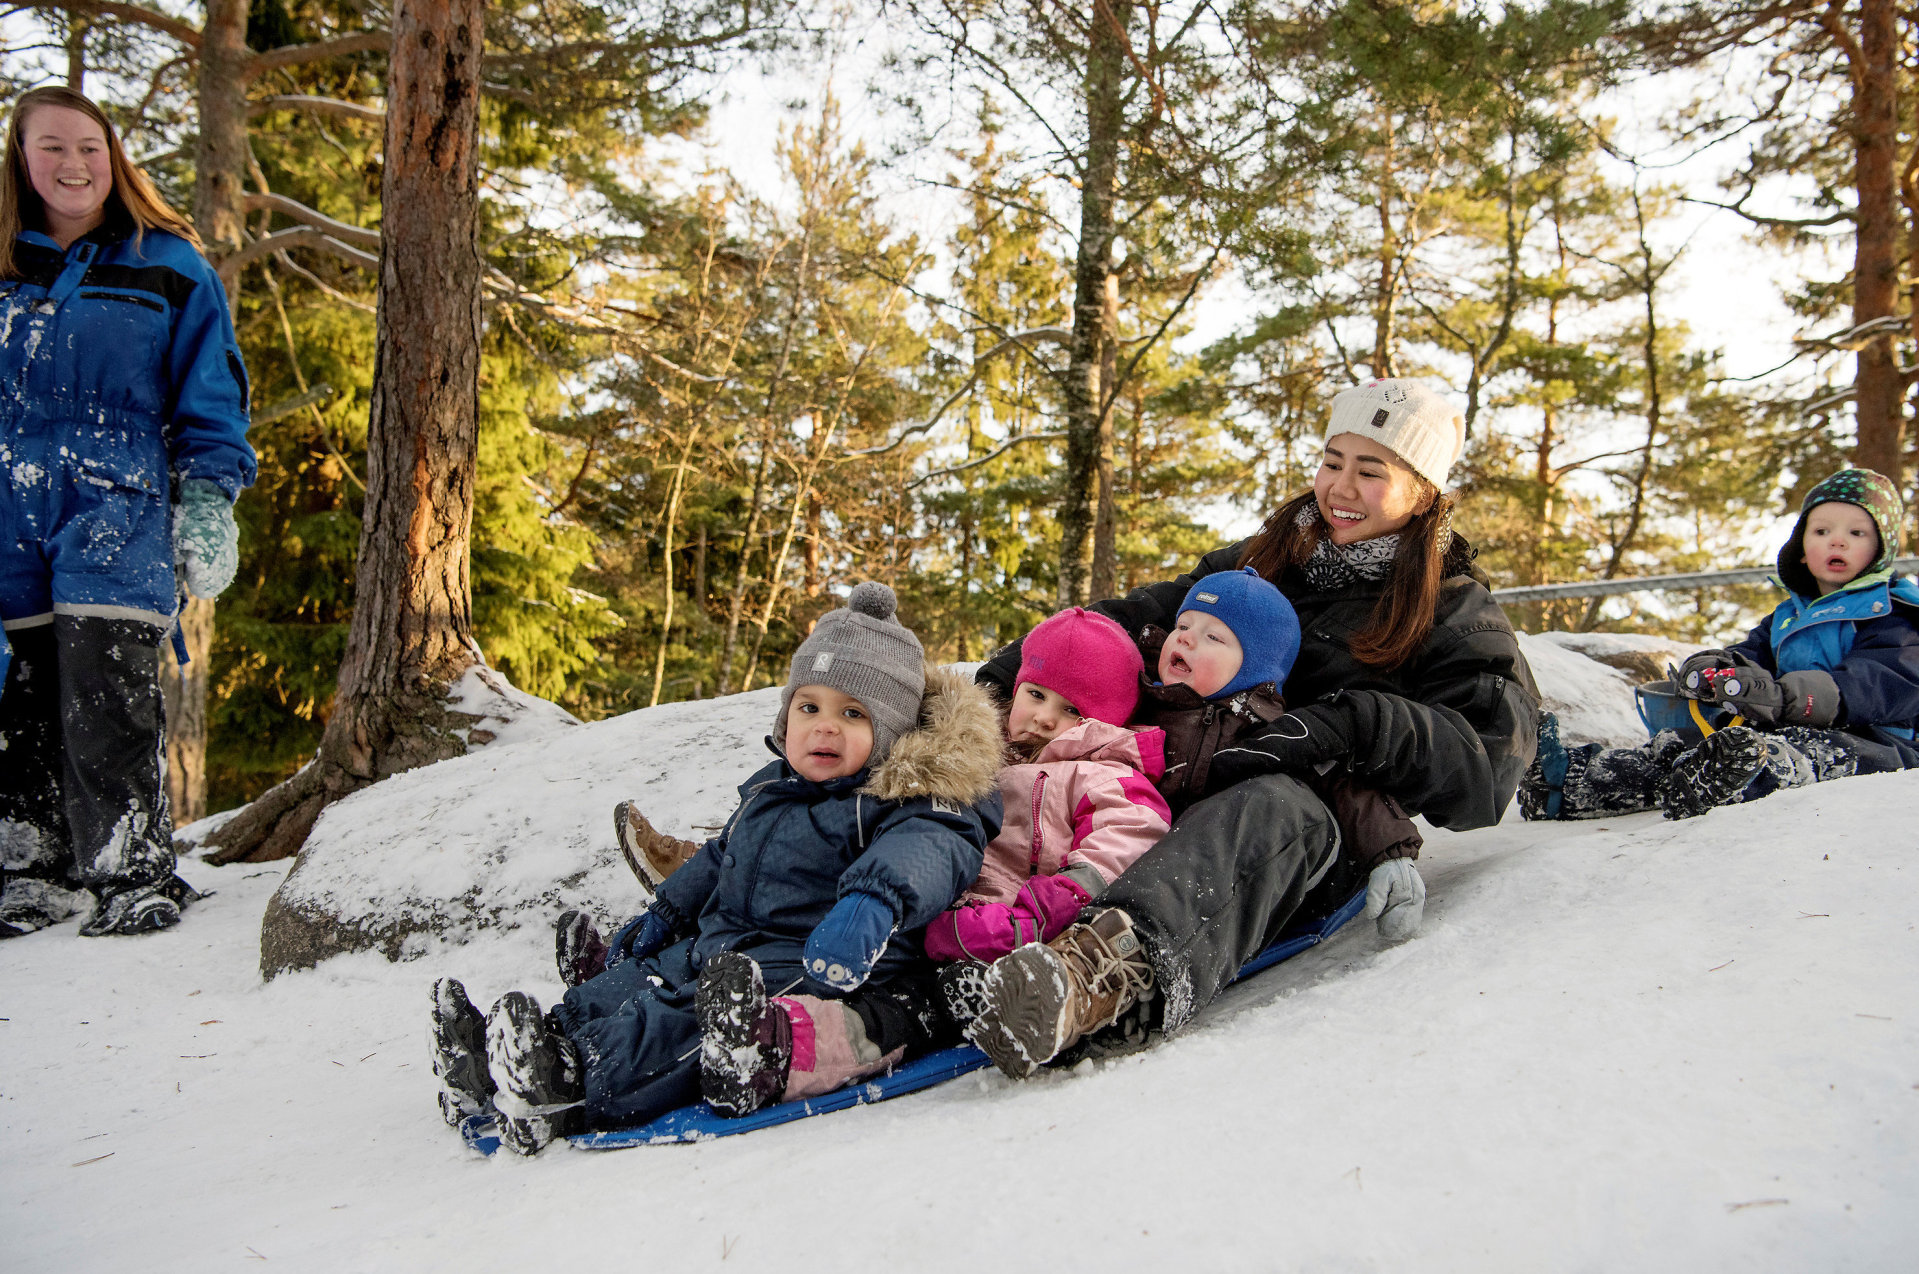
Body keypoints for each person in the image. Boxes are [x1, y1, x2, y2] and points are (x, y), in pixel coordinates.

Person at [964, 377, 1539, 1079]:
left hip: (1306, 825)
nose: (1340, 488)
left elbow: (1488, 764)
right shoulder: (1258, 561)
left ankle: (1095, 976)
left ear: (1423, 491)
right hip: (1161, 782)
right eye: (1332, 462)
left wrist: (1353, 722)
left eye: (1370, 471)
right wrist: (999, 689)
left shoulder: (1452, 609)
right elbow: (1123, 621)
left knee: (1274, 804)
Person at [428, 583, 1005, 1153]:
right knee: (639, 979)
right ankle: (513, 1052)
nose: (824, 726)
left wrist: (871, 904)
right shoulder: (773, 789)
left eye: (853, 713)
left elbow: (930, 850)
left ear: (894, 735)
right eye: (809, 707)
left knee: (687, 1020)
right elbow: (721, 855)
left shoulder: (912, 799)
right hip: (726, 939)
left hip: (816, 959)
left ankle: (571, 1078)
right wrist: (669, 909)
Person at [0, 87, 253, 938]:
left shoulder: (170, 264)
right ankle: (30, 869)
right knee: (22, 696)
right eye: (51, 148)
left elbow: (208, 394)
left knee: (108, 691)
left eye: (89, 148)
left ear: (114, 157)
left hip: (117, 505)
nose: (73, 166)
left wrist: (210, 496)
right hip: (7, 508)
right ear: (20, 158)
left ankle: (131, 872)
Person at [1520, 468, 1919, 823]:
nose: (1838, 542)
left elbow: (1880, 680)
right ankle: (1573, 783)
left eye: (1856, 533)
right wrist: (1717, 668)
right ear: (1801, 548)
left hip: (1879, 743)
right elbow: (1752, 654)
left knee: (1799, 752)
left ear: (1882, 548)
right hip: (1779, 728)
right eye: (1822, 531)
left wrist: (1786, 697)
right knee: (1692, 744)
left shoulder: (1894, 614)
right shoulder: (1787, 616)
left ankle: (1725, 783)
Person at [920, 607, 1172, 1015]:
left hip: (1023, 925)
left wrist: (1036, 914)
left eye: (1072, 709)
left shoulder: (1104, 775)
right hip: (935, 904)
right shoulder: (975, 747)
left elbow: (1124, 841)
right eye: (1035, 694)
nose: (1044, 717)